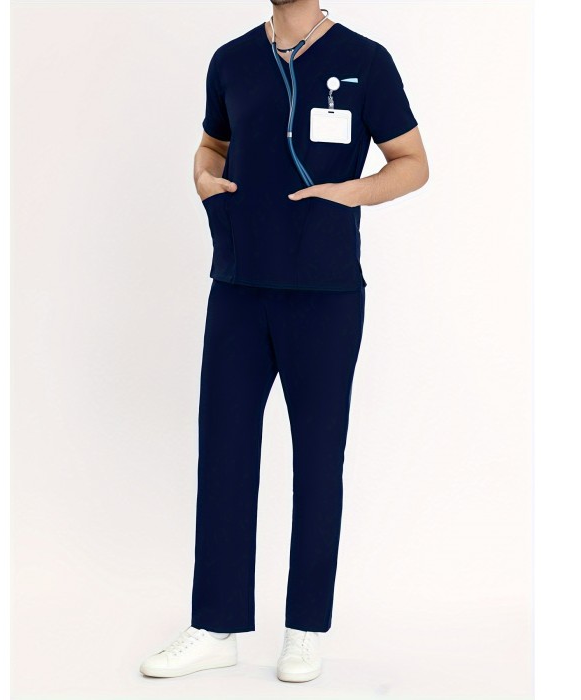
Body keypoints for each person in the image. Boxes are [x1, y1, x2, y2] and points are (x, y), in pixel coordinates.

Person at [140, 0, 428, 683]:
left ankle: (304, 630)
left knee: (318, 459)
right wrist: (203, 179)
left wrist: (349, 194)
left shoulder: (364, 61)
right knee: (224, 453)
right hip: (239, 286)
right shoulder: (232, 60)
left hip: (325, 293)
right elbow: (211, 146)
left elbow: (412, 162)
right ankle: (215, 626)